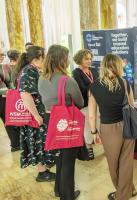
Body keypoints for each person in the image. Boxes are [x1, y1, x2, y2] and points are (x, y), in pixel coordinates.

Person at [88, 54, 137, 200]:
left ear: (103, 66)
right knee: (126, 162)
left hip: (108, 129)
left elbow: (92, 115)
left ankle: (122, 195)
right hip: (127, 125)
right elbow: (132, 106)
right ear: (118, 66)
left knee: (113, 163)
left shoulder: (94, 87)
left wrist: (94, 132)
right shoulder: (125, 83)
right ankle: (129, 190)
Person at [39, 45, 84, 200]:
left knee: (59, 158)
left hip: (49, 120)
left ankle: (59, 190)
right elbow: (80, 102)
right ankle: (67, 196)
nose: (69, 59)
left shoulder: (41, 78)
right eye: (67, 56)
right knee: (68, 163)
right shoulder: (67, 81)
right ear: (62, 60)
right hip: (65, 121)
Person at [15, 46, 56, 181]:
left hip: (39, 113)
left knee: (41, 142)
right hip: (36, 116)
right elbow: (25, 95)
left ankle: (44, 169)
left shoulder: (32, 70)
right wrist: (36, 115)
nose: (46, 60)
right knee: (38, 143)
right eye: (44, 58)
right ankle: (42, 173)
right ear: (36, 59)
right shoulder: (28, 72)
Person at [72, 49, 98, 160]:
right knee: (87, 127)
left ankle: (99, 141)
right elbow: (82, 88)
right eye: (86, 58)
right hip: (85, 103)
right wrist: (96, 87)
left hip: (97, 102)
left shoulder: (94, 70)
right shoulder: (76, 72)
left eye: (90, 58)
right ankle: (89, 148)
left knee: (97, 124)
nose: (89, 60)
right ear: (79, 59)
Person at [0, 61, 20, 152]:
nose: (1, 57)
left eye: (2, 55)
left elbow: (10, 82)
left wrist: (12, 91)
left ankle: (15, 144)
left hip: (4, 99)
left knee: (9, 121)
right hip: (4, 96)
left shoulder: (5, 67)